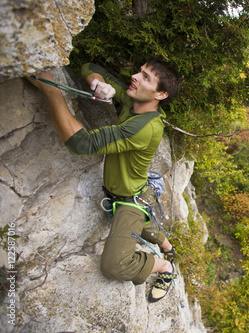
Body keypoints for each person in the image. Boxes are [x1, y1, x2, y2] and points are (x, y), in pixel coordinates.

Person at [27, 58, 181, 302]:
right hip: (135, 192)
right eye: (139, 72)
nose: (135, 77)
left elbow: (82, 143)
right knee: (142, 220)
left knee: (115, 265)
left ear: (160, 94)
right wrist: (98, 83)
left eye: (145, 78)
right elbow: (90, 67)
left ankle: (164, 266)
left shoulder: (145, 127)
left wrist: (51, 89)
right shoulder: (135, 100)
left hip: (129, 200)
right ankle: (169, 247)